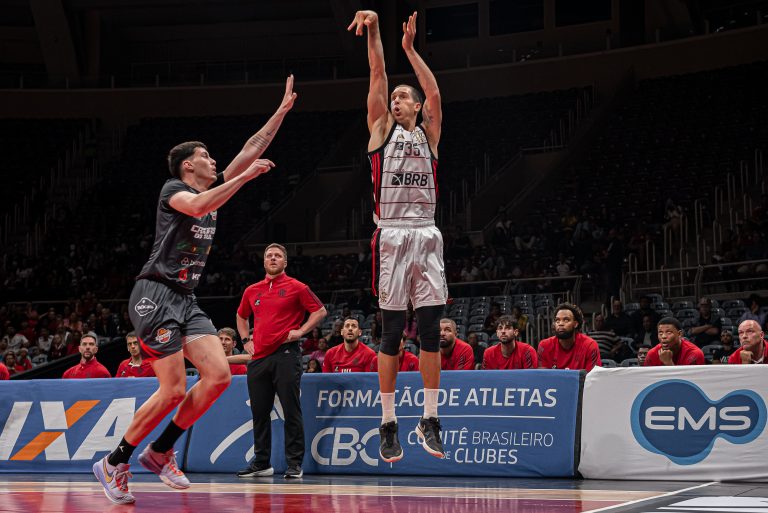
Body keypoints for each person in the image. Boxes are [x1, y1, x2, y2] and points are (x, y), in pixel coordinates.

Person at [93, 75, 297, 505]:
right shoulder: (175, 190)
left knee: (219, 375)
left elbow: (251, 148)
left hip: (185, 300)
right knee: (171, 389)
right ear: (188, 166)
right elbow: (203, 205)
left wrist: (279, 113)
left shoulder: (212, 184)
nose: (213, 160)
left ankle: (160, 451)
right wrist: (245, 179)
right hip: (154, 295)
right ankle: (114, 461)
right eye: (205, 156)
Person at [350, 9, 447, 462]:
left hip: (427, 235)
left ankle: (430, 419)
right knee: (391, 333)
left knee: (430, 330)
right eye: (394, 97)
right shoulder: (379, 131)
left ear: (417, 106)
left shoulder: (430, 134)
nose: (396, 99)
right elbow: (377, 73)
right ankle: (388, 422)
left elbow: (435, 91)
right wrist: (374, 30)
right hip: (391, 235)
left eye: (404, 96)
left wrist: (410, 49)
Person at [235, 243, 327, 479]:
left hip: (286, 355)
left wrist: (301, 331)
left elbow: (320, 311)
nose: (273, 258)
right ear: (264, 261)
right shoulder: (252, 290)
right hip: (258, 358)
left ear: (285, 262)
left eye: (278, 256)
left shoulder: (297, 287)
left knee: (290, 410)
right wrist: (245, 340)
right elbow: (241, 315)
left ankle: (294, 464)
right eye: (269, 255)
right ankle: (261, 463)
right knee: (260, 413)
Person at [537, 303, 602, 371]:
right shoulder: (544, 346)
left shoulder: (590, 345)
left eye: (566, 320)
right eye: (557, 320)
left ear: (575, 324)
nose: (560, 324)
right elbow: (542, 376)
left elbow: (593, 376)